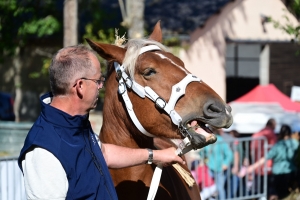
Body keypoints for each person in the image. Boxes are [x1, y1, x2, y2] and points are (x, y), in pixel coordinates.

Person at [17, 44, 184, 200]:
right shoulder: (44, 151)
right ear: (80, 86)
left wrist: (155, 155)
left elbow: (102, 153)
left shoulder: (74, 124)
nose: (101, 87)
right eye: (98, 81)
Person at [240, 124, 299, 200]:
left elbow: (265, 158)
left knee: (280, 194)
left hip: (278, 174)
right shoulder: (295, 143)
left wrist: (252, 167)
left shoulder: (278, 146)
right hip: (291, 172)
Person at [199, 127, 233, 200]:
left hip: (219, 169)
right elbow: (202, 153)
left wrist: (225, 164)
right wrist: (203, 161)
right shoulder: (207, 140)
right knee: (211, 189)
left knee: (219, 189)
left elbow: (229, 154)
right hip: (209, 168)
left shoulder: (220, 140)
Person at [250, 118, 277, 197]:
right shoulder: (271, 133)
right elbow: (274, 149)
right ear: (273, 125)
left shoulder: (257, 134)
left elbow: (252, 151)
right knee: (269, 191)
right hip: (268, 167)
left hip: (258, 166)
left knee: (261, 191)